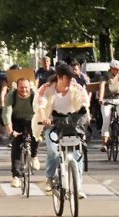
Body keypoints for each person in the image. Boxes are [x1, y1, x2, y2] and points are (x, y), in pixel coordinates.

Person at [36, 63, 90, 198]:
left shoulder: (76, 87)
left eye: (71, 79)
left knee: (77, 155)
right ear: (59, 77)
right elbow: (40, 104)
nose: (69, 82)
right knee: (53, 152)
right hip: (54, 125)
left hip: (72, 125)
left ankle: (77, 188)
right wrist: (44, 119)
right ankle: (49, 178)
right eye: (67, 79)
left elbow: (84, 101)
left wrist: (86, 115)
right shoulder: (46, 88)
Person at [3, 78, 39, 187]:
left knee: (36, 135)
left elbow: (41, 109)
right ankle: (16, 176)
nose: (24, 90)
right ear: (17, 87)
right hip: (17, 119)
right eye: (21, 87)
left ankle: (34, 156)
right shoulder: (11, 95)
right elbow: (6, 113)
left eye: (26, 87)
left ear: (30, 87)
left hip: (32, 119)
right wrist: (10, 131)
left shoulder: (34, 95)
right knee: (16, 146)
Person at [98, 60, 119, 152]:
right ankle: (104, 144)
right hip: (107, 100)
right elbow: (101, 87)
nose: (118, 71)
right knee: (106, 120)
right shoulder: (105, 76)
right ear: (111, 69)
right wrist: (101, 98)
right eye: (116, 69)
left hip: (117, 99)